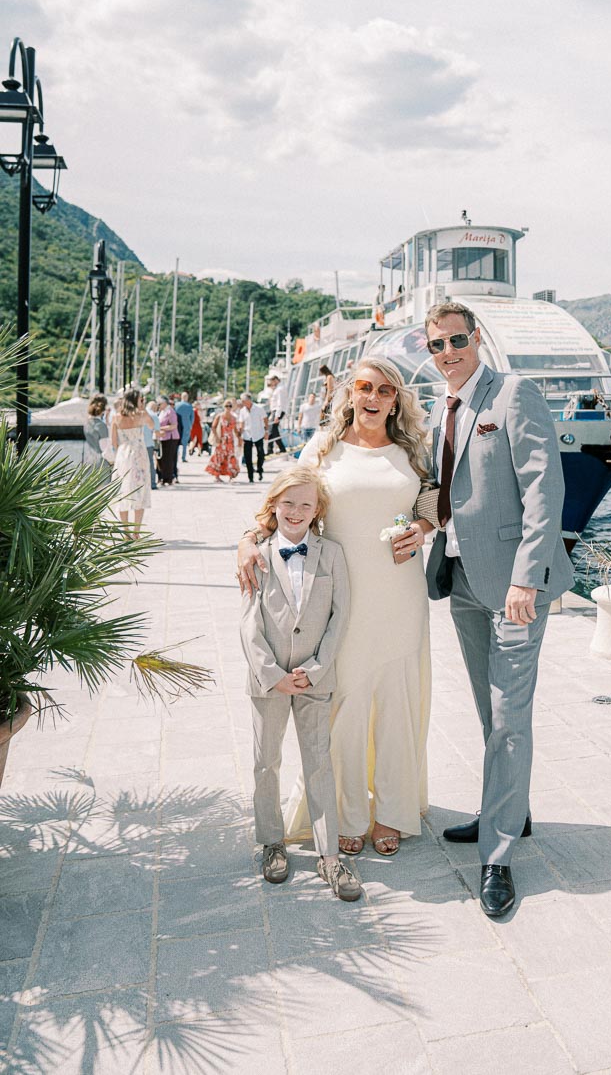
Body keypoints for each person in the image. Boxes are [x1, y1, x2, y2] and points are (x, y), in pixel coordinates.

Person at [238, 359, 432, 858]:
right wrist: (248, 538)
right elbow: (287, 501)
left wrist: (425, 528)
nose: (373, 397)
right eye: (364, 387)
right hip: (337, 601)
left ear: (396, 400)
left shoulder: (413, 451)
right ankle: (346, 812)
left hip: (400, 594)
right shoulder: (322, 450)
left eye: (385, 390)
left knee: (395, 701)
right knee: (343, 705)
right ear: (349, 393)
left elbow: (435, 500)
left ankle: (393, 811)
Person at [419, 301, 574, 918]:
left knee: (510, 716)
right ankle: (511, 807)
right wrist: (415, 523)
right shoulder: (443, 408)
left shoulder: (513, 394)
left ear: (475, 338)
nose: (449, 352)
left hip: (514, 589)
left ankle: (499, 853)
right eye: (438, 345)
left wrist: (527, 580)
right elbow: (445, 492)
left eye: (457, 340)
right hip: (460, 580)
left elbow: (545, 489)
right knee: (489, 708)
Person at [239, 467, 360, 899]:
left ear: (317, 510)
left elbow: (340, 617)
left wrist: (317, 667)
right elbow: (249, 624)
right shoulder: (257, 554)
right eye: (288, 503)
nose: (296, 511)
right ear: (273, 505)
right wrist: (272, 675)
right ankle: (272, 842)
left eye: (305, 504)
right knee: (265, 761)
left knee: (318, 762)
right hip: (268, 682)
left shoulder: (332, 555)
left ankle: (330, 855)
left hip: (314, 678)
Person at [110, 388, 154, 538]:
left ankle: (126, 531)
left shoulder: (116, 418)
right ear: (136, 400)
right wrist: (143, 409)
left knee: (123, 491)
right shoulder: (141, 415)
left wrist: (122, 451)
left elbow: (114, 442)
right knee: (140, 491)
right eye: (141, 399)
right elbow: (152, 425)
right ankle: (136, 531)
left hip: (123, 454)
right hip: (139, 453)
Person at [206, 399, 240, 482]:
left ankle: (231, 476)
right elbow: (213, 427)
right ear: (223, 407)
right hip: (221, 440)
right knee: (219, 457)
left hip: (230, 441)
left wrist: (240, 436)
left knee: (230, 457)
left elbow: (235, 430)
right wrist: (217, 437)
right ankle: (217, 476)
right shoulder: (219, 416)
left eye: (230, 406)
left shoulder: (234, 418)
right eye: (226, 406)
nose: (228, 408)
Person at [238, 392, 268, 483]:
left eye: (244, 401)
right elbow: (241, 423)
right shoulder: (242, 411)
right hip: (247, 435)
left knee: (261, 453)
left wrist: (266, 431)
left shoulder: (259, 409)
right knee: (248, 457)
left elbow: (265, 419)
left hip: (258, 434)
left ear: (249, 400)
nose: (242, 403)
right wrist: (240, 434)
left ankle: (259, 469)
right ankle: (250, 476)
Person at [82, 393, 112, 484]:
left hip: (88, 459)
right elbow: (105, 449)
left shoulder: (87, 423)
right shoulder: (101, 425)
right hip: (101, 463)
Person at [156, 395, 179, 487]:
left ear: (164, 403)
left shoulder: (170, 412)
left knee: (168, 459)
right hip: (163, 438)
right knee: (163, 458)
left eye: (159, 404)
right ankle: (163, 477)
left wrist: (160, 428)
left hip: (170, 438)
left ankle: (168, 478)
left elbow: (173, 425)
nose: (158, 405)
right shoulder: (162, 412)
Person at [267, 374, 287, 455]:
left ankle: (282, 448)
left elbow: (280, 403)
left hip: (278, 411)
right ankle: (270, 450)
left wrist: (277, 416)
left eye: (272, 382)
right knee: (271, 430)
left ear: (275, 380)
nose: (272, 384)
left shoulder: (280, 389)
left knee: (273, 430)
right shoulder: (278, 389)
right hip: (275, 411)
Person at [144, 398, 160, 491]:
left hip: (137, 442)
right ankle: (152, 483)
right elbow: (157, 432)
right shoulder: (153, 416)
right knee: (150, 463)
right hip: (149, 442)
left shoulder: (139, 414)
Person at [175, 392, 195, 466]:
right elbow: (192, 417)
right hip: (187, 425)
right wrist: (191, 425)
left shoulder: (177, 405)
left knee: (176, 442)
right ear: (187, 397)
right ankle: (183, 457)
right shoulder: (189, 406)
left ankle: (176, 457)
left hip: (177, 425)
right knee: (185, 443)